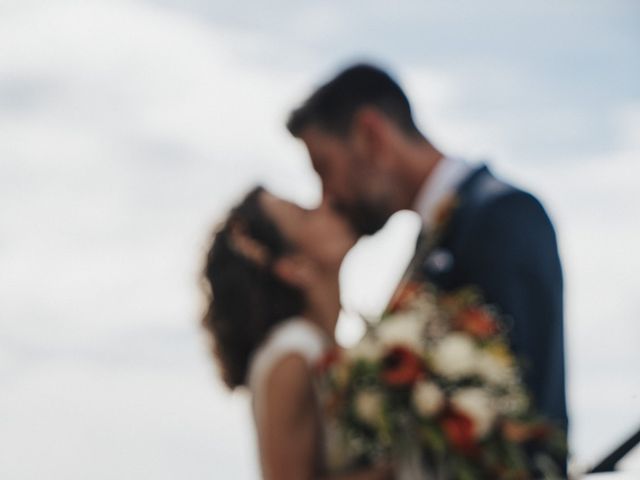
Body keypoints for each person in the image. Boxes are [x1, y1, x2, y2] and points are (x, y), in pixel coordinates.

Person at [286, 63, 568, 470]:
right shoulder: (431, 237)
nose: (327, 196)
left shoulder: (502, 215)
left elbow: (526, 409)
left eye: (324, 168)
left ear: (371, 135)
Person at [201, 187, 393, 480]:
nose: (327, 203)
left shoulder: (321, 346)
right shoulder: (291, 356)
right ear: (294, 267)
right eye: (306, 214)